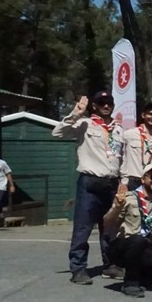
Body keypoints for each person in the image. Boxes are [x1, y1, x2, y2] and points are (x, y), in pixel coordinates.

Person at [53, 92, 124, 284]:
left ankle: (110, 265)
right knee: (83, 227)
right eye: (101, 103)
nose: (106, 106)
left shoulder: (118, 130)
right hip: (90, 182)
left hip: (112, 183)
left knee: (110, 228)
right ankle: (78, 268)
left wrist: (122, 182)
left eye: (109, 103)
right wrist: (75, 113)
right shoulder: (85, 124)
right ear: (94, 106)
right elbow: (57, 133)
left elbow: (122, 157)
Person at [102, 164, 152, 298]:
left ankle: (143, 276)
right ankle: (130, 283)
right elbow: (107, 224)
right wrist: (117, 207)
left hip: (144, 247)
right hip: (122, 247)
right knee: (137, 240)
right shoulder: (128, 198)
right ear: (143, 179)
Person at [120, 102, 152, 189]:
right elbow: (122, 157)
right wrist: (124, 180)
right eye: (150, 114)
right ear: (143, 115)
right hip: (132, 179)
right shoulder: (128, 135)